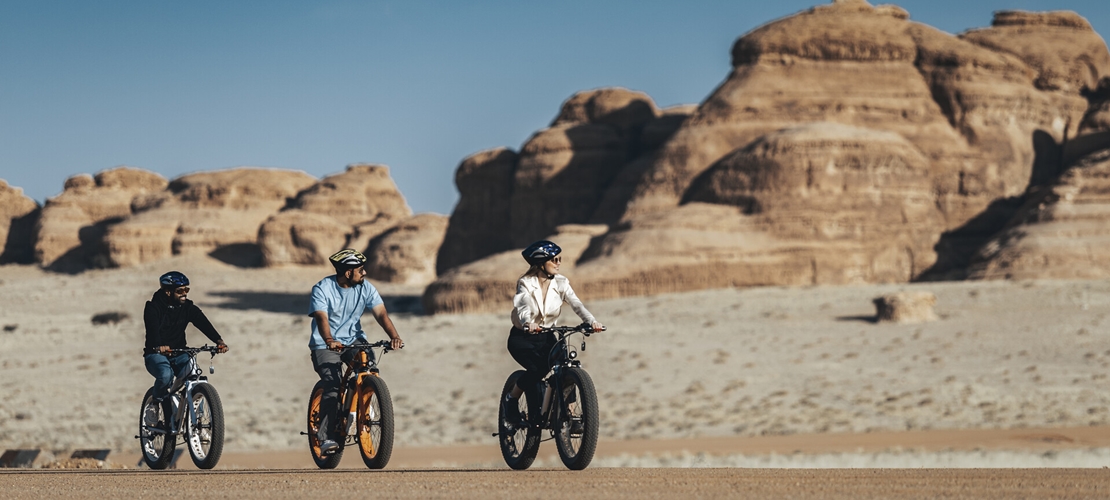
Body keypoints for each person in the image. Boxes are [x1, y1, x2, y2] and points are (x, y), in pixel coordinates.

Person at [309, 249, 404, 454]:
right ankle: (325, 438)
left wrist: (394, 337)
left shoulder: (366, 287)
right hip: (325, 344)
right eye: (360, 269)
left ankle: (361, 409)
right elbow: (321, 318)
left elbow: (381, 314)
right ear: (347, 272)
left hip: (354, 341)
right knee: (333, 386)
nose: (365, 273)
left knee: (370, 371)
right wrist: (329, 340)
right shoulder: (322, 288)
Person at [503, 240, 603, 428]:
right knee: (537, 370)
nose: (558, 263)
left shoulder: (562, 283)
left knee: (566, 364)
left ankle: (571, 415)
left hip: (548, 336)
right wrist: (528, 323)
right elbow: (523, 306)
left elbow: (577, 305)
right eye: (554, 259)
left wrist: (592, 322)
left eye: (560, 259)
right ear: (541, 263)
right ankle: (512, 399)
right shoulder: (525, 283)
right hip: (523, 338)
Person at [143, 271, 229, 431]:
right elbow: (152, 329)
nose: (184, 294)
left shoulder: (187, 308)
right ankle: (155, 403)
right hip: (155, 354)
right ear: (168, 291)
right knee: (165, 375)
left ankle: (191, 410)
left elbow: (202, 323)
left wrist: (218, 341)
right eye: (180, 291)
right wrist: (158, 346)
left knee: (194, 373)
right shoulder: (153, 307)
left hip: (179, 352)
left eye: (186, 290)